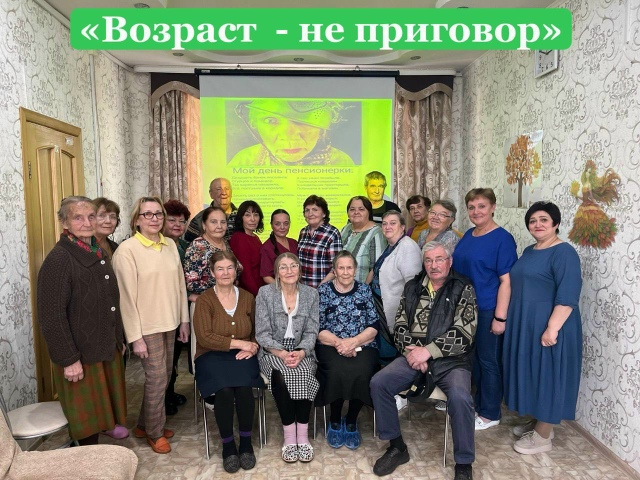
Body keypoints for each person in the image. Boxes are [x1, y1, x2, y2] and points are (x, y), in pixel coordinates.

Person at [370, 241, 478, 480]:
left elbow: (465, 333)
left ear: (449, 262)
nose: (433, 265)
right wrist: (413, 353)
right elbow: (399, 324)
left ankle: (463, 463)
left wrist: (427, 352)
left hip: (452, 361)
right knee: (379, 383)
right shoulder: (412, 287)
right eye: (428, 260)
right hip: (413, 355)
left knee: (461, 398)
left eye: (439, 259)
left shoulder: (463, 287)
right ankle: (397, 447)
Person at [37, 196, 128, 446]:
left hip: (103, 346)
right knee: (86, 421)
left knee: (102, 413)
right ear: (64, 222)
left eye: (91, 216)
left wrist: (117, 338)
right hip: (80, 355)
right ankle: (86, 460)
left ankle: (95, 456)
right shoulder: (59, 259)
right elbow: (51, 317)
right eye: (78, 217)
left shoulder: (97, 252)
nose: (87, 223)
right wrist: (68, 360)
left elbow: (110, 301)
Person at [112, 196, 190, 454]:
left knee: (164, 377)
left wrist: (184, 320)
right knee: (156, 379)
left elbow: (180, 286)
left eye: (158, 214)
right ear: (137, 220)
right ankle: (155, 433)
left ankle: (144, 425)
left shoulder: (170, 245)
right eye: (148, 214)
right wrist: (135, 337)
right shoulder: (127, 250)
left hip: (170, 322)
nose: (154, 218)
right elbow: (125, 298)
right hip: (146, 327)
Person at [504, 202, 582, 454]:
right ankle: (539, 420)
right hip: (526, 322)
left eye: (544, 220)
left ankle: (543, 436)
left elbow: (568, 295)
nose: (537, 224)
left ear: (555, 223)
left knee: (549, 375)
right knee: (533, 372)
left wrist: (552, 328)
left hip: (550, 323)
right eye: (533, 220)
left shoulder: (564, 253)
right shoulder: (530, 250)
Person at [452, 188, 517, 431]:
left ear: (493, 207)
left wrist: (500, 317)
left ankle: (490, 413)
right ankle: (479, 406)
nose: (476, 211)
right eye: (471, 207)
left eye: (482, 206)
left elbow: (506, 281)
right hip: (466, 309)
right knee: (475, 361)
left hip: (488, 309)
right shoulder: (469, 234)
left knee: (489, 361)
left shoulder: (502, 239)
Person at [193, 250, 263, 473]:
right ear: (212, 272)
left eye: (229, 268)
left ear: (236, 270)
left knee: (243, 387)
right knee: (223, 389)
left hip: (244, 355)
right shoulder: (205, 300)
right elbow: (205, 337)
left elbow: (258, 331)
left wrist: (253, 346)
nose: (225, 273)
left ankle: (245, 443)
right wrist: (241, 343)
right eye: (220, 269)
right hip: (211, 355)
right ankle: (228, 446)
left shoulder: (248, 297)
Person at [255, 253, 320, 463]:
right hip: (273, 351)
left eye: (293, 266)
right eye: (283, 267)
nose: (289, 271)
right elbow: (262, 333)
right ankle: (290, 437)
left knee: (304, 371)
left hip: (302, 350)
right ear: (277, 273)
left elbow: (312, 331)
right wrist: (282, 353)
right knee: (283, 375)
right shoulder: (265, 293)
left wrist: (301, 351)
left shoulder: (311, 294)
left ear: (300, 270)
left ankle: (303, 435)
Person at [317, 251, 379, 450]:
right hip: (330, 344)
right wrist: (340, 344)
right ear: (334, 271)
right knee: (337, 370)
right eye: (341, 268)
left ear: (355, 269)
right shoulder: (323, 291)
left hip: (362, 343)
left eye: (349, 268)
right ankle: (335, 419)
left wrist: (353, 342)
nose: (345, 272)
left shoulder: (364, 290)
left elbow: (374, 326)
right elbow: (317, 328)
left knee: (363, 370)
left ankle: (351, 420)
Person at [229, 99, 354, 166]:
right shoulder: (244, 161)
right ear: (254, 123)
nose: (288, 135)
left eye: (303, 120)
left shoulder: (341, 161)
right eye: (271, 120)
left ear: (322, 128)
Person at [370, 211, 422, 360]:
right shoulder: (391, 246)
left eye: (393, 223)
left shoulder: (408, 247)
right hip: (380, 308)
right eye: (384, 224)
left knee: (392, 354)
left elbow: (413, 286)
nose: (387, 227)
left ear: (403, 227)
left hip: (396, 311)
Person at [162, 199, 192, 416]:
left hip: (180, 308)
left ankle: (169, 392)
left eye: (181, 222)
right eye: (172, 220)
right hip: (165, 308)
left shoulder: (182, 245)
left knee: (173, 355)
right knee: (163, 361)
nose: (177, 225)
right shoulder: (160, 245)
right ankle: (162, 399)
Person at [183, 206, 232, 302]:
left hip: (227, 300)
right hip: (206, 302)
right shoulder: (197, 247)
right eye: (213, 222)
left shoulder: (225, 243)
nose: (219, 226)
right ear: (204, 225)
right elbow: (191, 284)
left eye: (223, 222)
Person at [297, 195, 343, 288]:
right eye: (307, 210)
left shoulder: (332, 233)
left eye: (315, 210)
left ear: (324, 213)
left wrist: (321, 287)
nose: (310, 213)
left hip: (323, 289)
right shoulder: (303, 232)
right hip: (302, 289)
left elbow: (337, 266)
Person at [338, 196, 386, 284]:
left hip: (363, 288)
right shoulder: (346, 228)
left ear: (369, 212)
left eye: (361, 209)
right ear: (348, 213)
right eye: (352, 209)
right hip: (341, 286)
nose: (356, 212)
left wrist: (364, 289)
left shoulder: (376, 232)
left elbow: (377, 268)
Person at [229, 200, 266, 297]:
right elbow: (245, 273)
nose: (252, 219)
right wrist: (258, 295)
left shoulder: (255, 237)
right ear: (241, 218)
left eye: (256, 215)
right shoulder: (239, 238)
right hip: (249, 293)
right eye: (247, 215)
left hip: (261, 288)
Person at [185, 178, 237, 243]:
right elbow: (188, 244)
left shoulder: (242, 216)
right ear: (211, 194)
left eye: (227, 189)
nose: (224, 193)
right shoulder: (199, 219)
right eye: (218, 189)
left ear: (231, 192)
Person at [260, 209, 298, 284]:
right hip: (278, 289)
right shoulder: (267, 247)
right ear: (271, 225)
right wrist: (283, 288)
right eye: (277, 224)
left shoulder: (294, 243)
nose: (282, 227)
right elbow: (266, 277)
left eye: (286, 224)